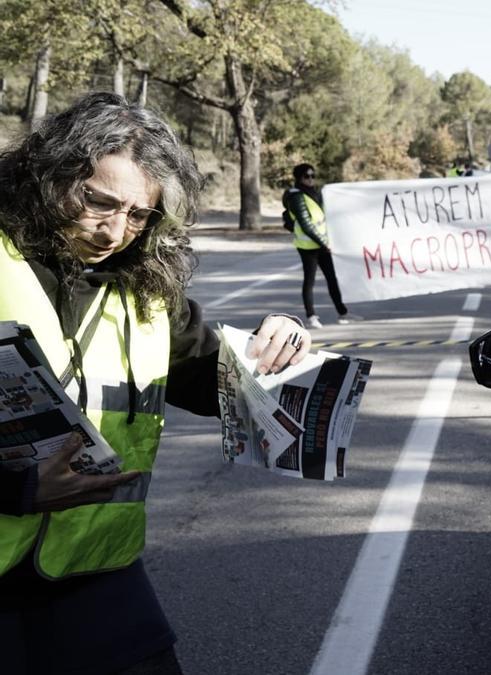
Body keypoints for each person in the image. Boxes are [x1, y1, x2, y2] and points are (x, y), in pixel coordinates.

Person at [0, 92, 312, 674]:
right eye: (99, 201)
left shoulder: (145, 290)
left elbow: (219, 379)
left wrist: (283, 340)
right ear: (49, 173)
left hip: (99, 570)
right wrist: (14, 490)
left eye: (140, 215)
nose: (115, 230)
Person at [284, 163, 360, 328]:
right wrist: (324, 242)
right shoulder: (297, 197)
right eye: (306, 176)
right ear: (299, 178)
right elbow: (306, 224)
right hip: (307, 246)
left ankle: (342, 312)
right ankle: (311, 316)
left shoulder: (315, 194)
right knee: (309, 281)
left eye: (312, 176)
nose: (310, 179)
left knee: (332, 279)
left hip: (322, 245)